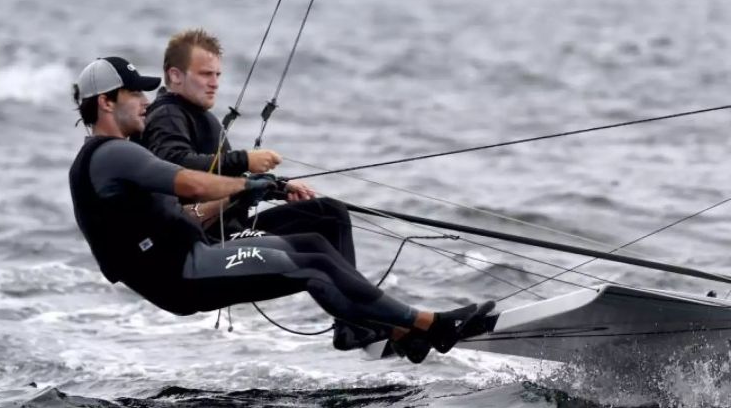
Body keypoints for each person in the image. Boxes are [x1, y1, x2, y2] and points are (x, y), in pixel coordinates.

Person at [68, 56, 494, 364]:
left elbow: (183, 208)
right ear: (106, 102)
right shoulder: (110, 156)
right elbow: (191, 183)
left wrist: (247, 194)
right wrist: (244, 175)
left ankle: (403, 330)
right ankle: (430, 325)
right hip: (182, 272)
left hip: (187, 261)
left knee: (310, 243)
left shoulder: (116, 155)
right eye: (134, 92)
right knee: (306, 265)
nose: (146, 99)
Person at [138, 28, 367, 348]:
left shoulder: (197, 116)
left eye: (217, 74)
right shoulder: (167, 114)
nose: (215, 82)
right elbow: (174, 162)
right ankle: (362, 324)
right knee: (313, 243)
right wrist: (243, 160)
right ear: (175, 75)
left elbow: (232, 181)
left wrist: (277, 187)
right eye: (205, 74)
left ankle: (354, 323)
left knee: (330, 213)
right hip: (209, 240)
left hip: (232, 223)